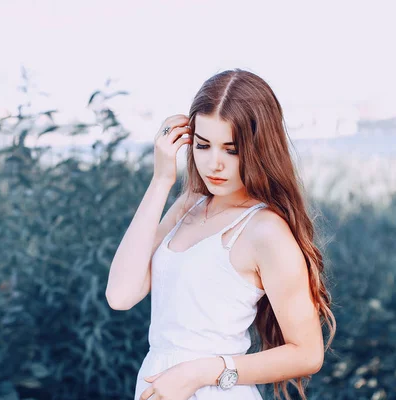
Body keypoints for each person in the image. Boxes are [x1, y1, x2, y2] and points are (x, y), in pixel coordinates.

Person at [105, 69, 336, 400]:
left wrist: (199, 372)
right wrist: (161, 180)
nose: (214, 164)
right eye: (203, 145)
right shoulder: (189, 206)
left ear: (259, 148)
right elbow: (120, 295)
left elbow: (308, 353)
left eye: (231, 149)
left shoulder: (265, 230)